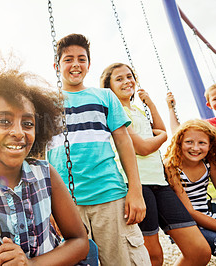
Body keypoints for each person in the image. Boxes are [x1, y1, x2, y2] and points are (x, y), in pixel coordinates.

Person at [0, 53, 89, 266]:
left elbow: (80, 242)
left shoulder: (45, 174)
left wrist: (31, 264)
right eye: (4, 121)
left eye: (28, 124)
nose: (19, 132)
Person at [46, 34, 150, 265]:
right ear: (57, 65)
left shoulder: (104, 97)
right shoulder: (46, 103)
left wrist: (135, 190)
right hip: (67, 204)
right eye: (68, 59)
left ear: (89, 64)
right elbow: (40, 155)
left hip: (110, 195)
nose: (75, 65)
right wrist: (48, 205)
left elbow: (124, 143)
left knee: (124, 259)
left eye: (81, 59)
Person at [100, 63, 211, 266]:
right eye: (119, 79)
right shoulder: (113, 111)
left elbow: (158, 129)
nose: (127, 81)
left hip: (160, 183)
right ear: (109, 87)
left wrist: (150, 103)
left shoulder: (137, 110)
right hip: (135, 184)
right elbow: (142, 147)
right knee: (153, 256)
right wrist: (163, 136)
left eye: (129, 76)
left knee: (199, 251)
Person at [164, 119, 216, 262]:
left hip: (210, 218)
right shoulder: (172, 167)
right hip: (188, 225)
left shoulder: (209, 164)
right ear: (179, 142)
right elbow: (190, 212)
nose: (195, 148)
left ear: (210, 145)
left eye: (202, 143)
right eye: (189, 142)